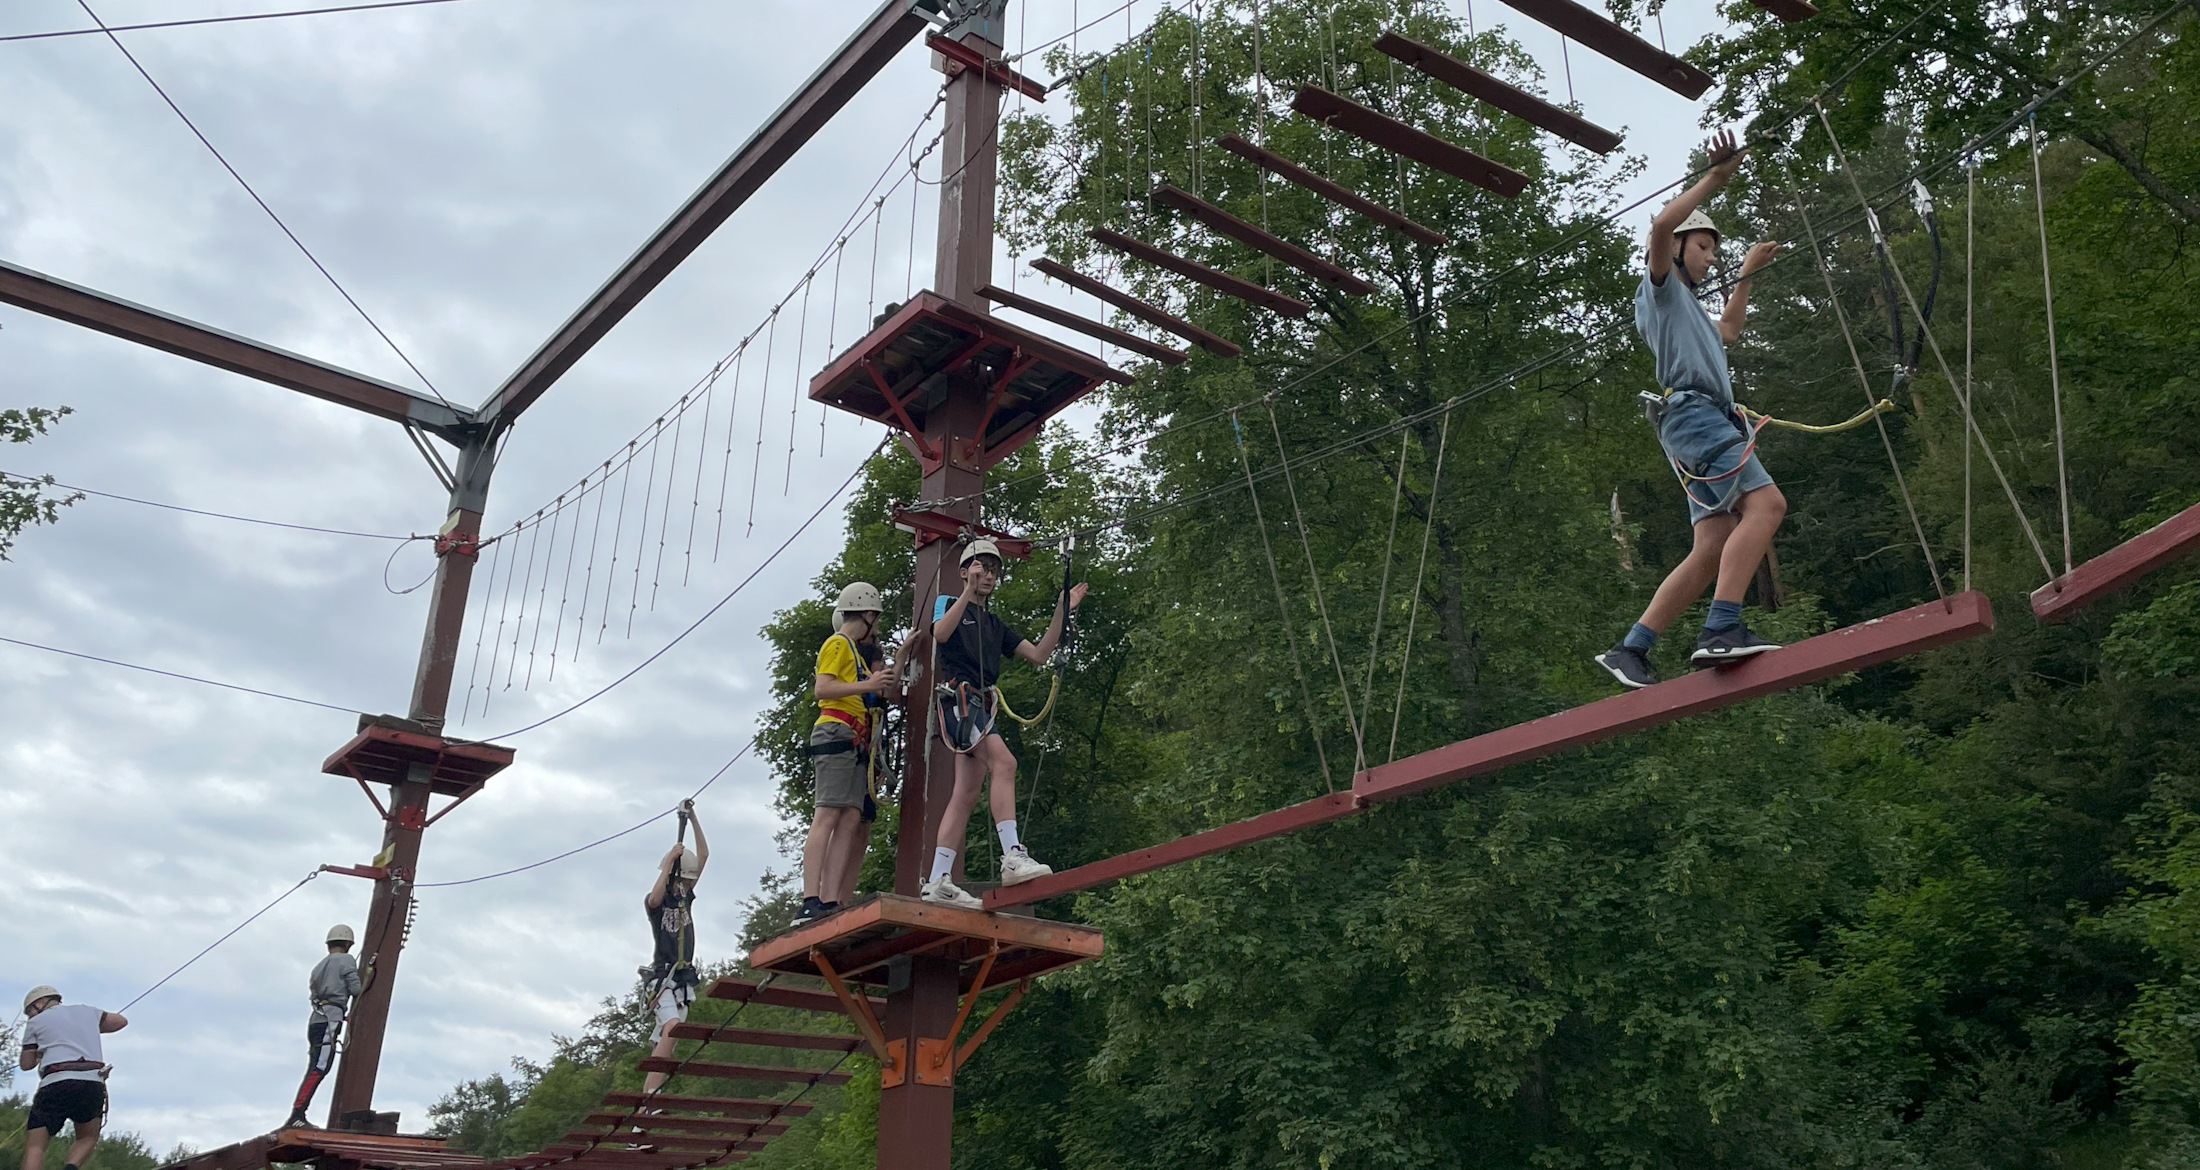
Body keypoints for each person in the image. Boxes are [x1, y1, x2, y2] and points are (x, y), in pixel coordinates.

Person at [1596, 129, 1787, 690]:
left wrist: (1746, 272)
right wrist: (1716, 180)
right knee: (1768, 505)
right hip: (1695, 417)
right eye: (1704, 247)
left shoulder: (1692, 312)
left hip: (1694, 424)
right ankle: (1721, 627)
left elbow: (1728, 328)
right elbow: (1658, 226)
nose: (1711, 258)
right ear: (1679, 249)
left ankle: (1633, 647)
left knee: (1711, 545)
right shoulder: (1659, 290)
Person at [921, 539, 1085, 909]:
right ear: (964, 572)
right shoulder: (950, 603)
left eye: (994, 570)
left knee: (965, 791)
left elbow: (1040, 654)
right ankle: (1012, 852)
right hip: (959, 698)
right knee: (1005, 762)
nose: (989, 575)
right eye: (981, 568)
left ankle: (936, 879)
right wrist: (965, 591)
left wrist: (1062, 611)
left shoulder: (994, 624)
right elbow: (941, 634)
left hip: (979, 702)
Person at [795, 584, 899, 925]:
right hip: (836, 730)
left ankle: (830, 899)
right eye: (877, 619)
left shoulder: (854, 652)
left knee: (850, 818)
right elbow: (822, 689)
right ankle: (811, 898)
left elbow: (880, 689)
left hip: (854, 737)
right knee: (827, 814)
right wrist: (867, 685)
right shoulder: (838, 644)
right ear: (867, 614)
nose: (878, 627)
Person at [17, 986, 125, 1170]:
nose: (30, 1017)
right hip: (91, 1083)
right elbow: (120, 1021)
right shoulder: (86, 1011)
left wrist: (39, 1052)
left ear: (41, 1002)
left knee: (35, 1147)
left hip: (55, 1083)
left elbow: (26, 1064)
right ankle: (71, 1167)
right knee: (87, 1137)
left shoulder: (36, 1022)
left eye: (30, 1012)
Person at [640, 803, 706, 1098]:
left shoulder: (685, 900)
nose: (689, 884)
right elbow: (654, 897)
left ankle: (647, 1103)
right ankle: (650, 1101)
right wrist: (669, 863)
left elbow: (703, 856)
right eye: (684, 880)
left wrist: (692, 819)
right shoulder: (658, 903)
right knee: (673, 1027)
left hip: (682, 980)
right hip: (663, 978)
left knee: (666, 1046)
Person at [282, 924, 362, 1128]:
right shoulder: (346, 960)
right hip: (330, 1019)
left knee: (315, 1066)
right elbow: (356, 989)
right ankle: (297, 1115)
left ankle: (298, 1114)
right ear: (347, 943)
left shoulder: (318, 967)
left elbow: (314, 994)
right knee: (319, 1068)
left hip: (316, 1020)